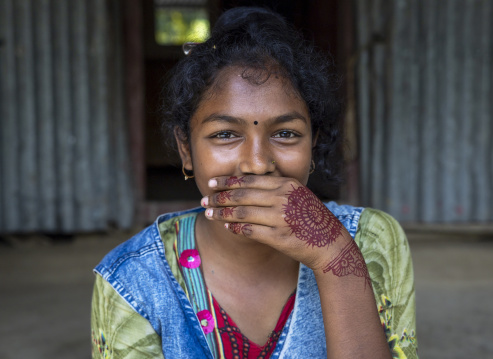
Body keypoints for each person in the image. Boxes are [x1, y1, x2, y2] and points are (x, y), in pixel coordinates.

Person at [91, 7, 418, 359]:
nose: (258, 164)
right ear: (187, 150)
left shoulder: (371, 241)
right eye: (226, 134)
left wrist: (335, 257)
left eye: (287, 133)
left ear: (312, 145)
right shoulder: (131, 279)